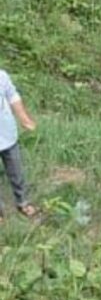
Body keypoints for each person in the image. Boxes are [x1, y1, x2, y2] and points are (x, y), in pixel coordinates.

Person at [0, 70, 37, 221]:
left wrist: (24, 118)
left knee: (16, 171)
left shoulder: (2, 76)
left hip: (7, 134)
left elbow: (13, 96)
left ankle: (23, 202)